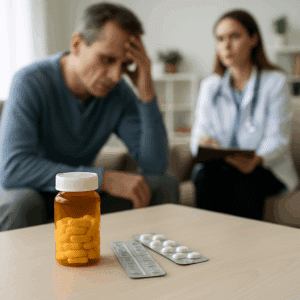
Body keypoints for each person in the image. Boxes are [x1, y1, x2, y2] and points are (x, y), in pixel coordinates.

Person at [0, 2, 178, 231]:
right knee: (25, 203)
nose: (115, 76)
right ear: (76, 44)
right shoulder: (31, 81)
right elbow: (14, 169)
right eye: (107, 59)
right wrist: (103, 179)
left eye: (125, 65)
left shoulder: (118, 94)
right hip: (30, 190)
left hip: (79, 194)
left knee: (162, 186)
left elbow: (155, 166)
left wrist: (146, 92)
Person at [190, 9, 299, 220]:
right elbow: (198, 134)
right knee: (205, 177)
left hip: (265, 167)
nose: (226, 46)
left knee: (244, 181)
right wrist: (205, 143)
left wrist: (256, 159)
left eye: (234, 36)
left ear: (253, 39)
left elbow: (277, 137)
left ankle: (245, 250)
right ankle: (205, 245)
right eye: (220, 39)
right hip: (222, 165)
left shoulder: (275, 82)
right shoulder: (210, 86)